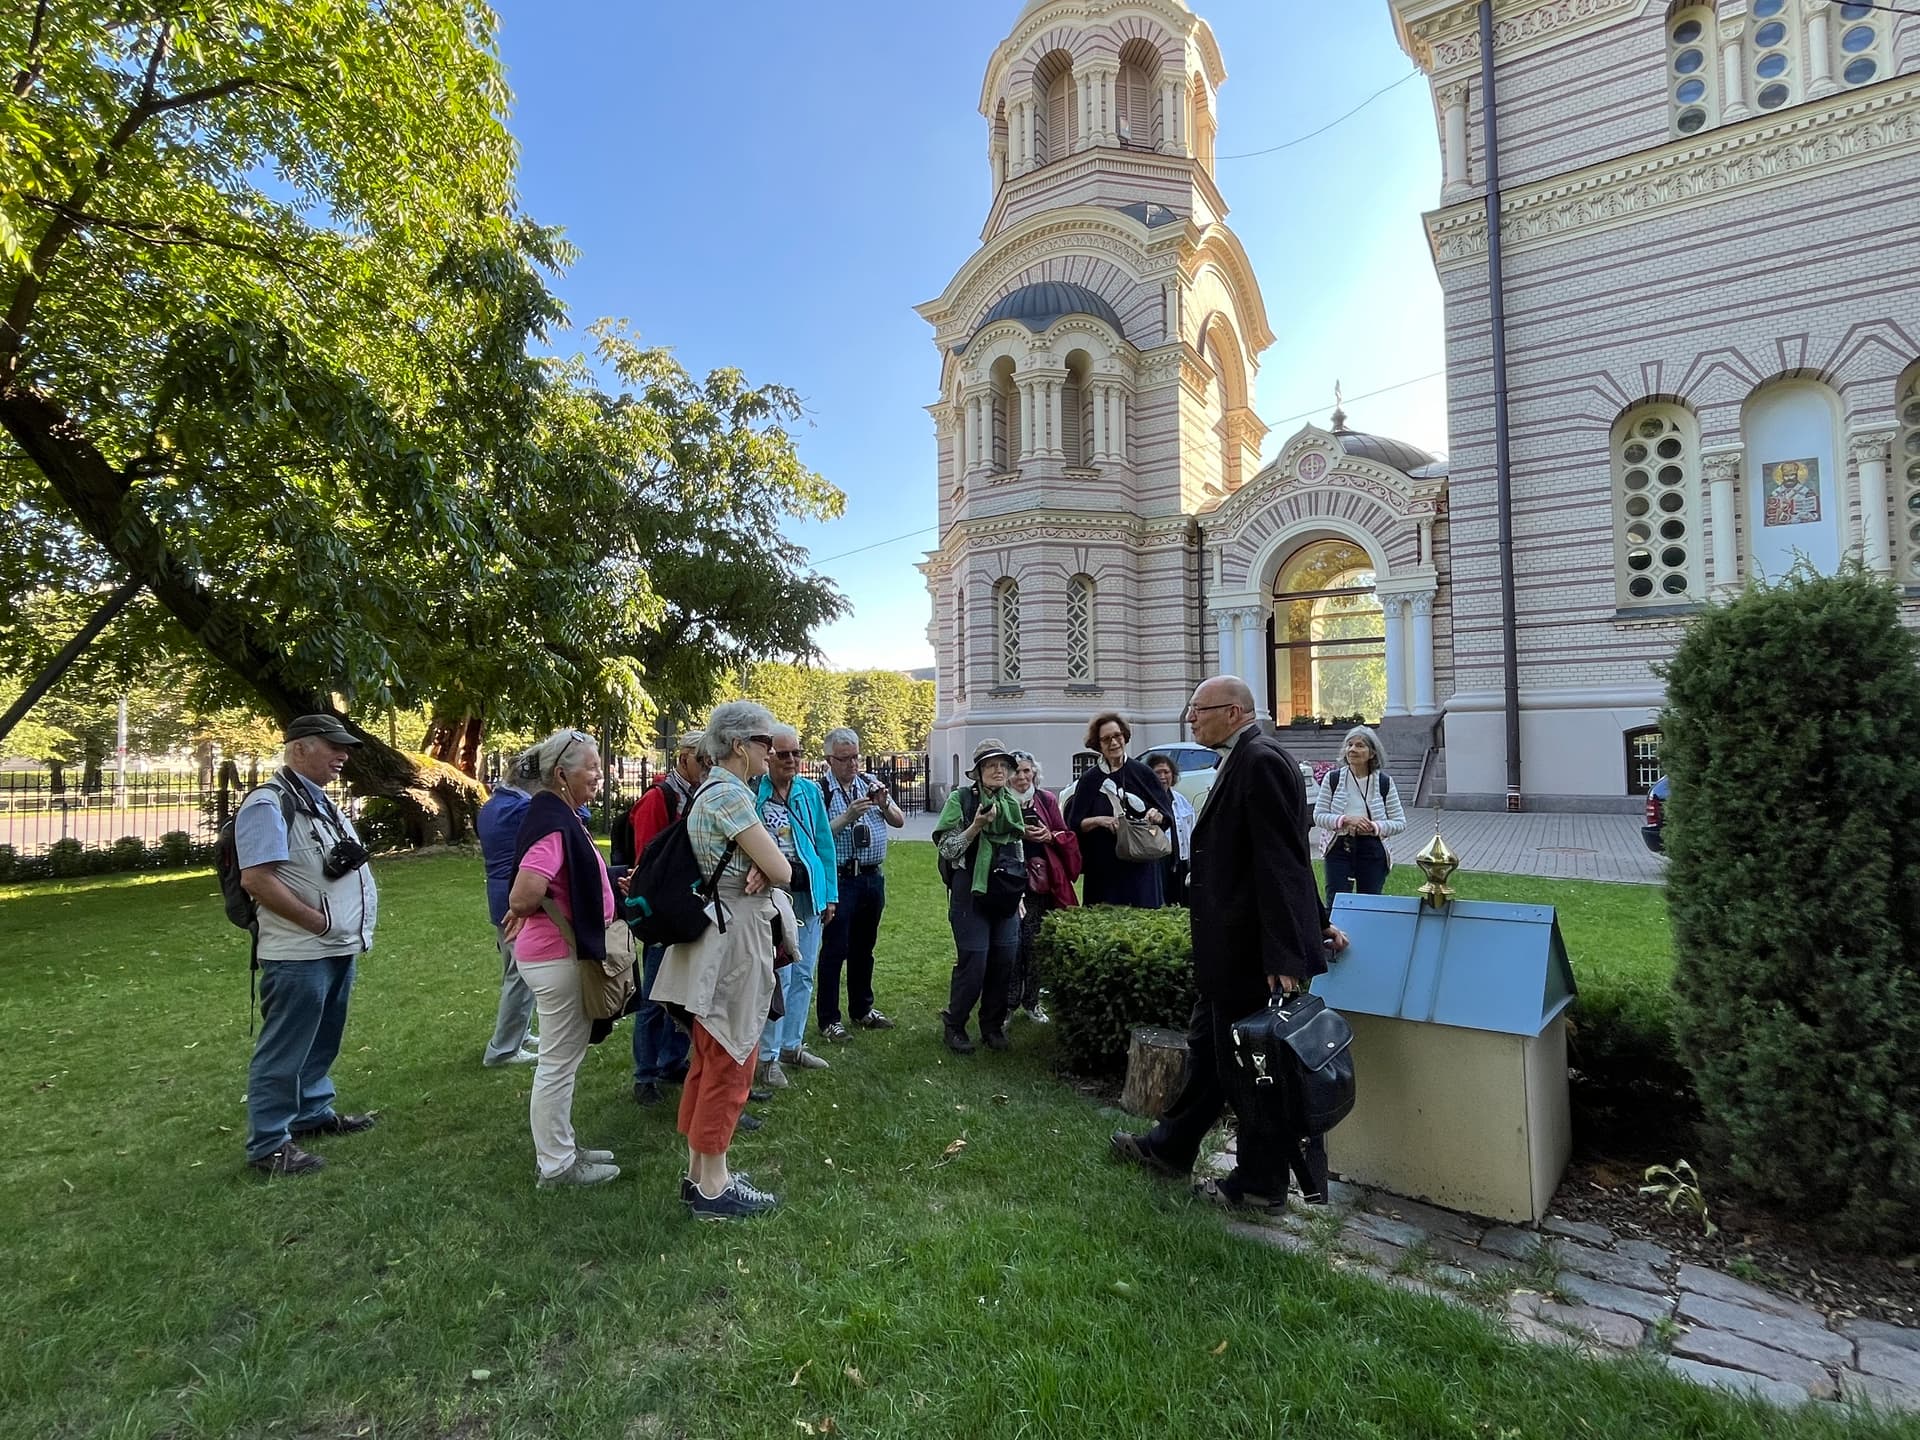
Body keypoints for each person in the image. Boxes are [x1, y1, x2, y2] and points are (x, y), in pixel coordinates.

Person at [1110, 676, 1349, 1212]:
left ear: (1236, 712)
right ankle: (1170, 1149)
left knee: (1253, 1071)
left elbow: (1280, 859)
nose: (1191, 719)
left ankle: (1261, 1185)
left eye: (1199, 709)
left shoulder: (1260, 761)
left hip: (1249, 958)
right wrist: (1316, 920)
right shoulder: (1245, 758)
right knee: (1210, 1054)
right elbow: (1283, 852)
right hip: (1229, 954)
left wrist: (1289, 951)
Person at [650, 700, 793, 1220]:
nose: (771, 750)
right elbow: (782, 867)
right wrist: (767, 865)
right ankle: (713, 1189)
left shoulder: (711, 790)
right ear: (739, 746)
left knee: (709, 1059)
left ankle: (703, 1173)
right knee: (732, 1060)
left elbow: (767, 864)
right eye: (764, 742)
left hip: (716, 930)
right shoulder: (730, 794)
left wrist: (763, 865)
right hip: (733, 940)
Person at [237, 713, 381, 1177]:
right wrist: (318, 923)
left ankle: (311, 1112)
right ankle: (269, 1144)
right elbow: (258, 879)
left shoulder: (316, 801)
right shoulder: (269, 803)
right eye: (332, 746)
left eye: (344, 748)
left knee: (322, 1036)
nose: (343, 756)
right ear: (299, 748)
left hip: (335, 945)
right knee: (285, 1047)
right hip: (300, 951)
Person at [503, 730, 622, 1189]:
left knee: (561, 1061)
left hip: (555, 954)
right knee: (556, 1063)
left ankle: (563, 1146)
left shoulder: (557, 814)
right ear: (561, 774)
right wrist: (519, 910)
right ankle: (556, 1165)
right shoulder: (553, 821)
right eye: (590, 767)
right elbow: (527, 890)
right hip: (558, 957)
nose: (599, 774)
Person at [754, 724, 838, 1089]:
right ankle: (768, 1057)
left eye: (797, 753)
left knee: (804, 973)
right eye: (783, 754)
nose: (792, 761)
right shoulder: (754, 793)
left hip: (809, 893)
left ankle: (792, 1044)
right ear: (768, 755)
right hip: (774, 895)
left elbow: (824, 844)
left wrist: (830, 893)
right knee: (779, 976)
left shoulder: (808, 792)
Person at [933, 739, 1028, 1054]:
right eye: (991, 765)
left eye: (1003, 765)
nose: (998, 770)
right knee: (975, 961)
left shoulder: (1010, 802)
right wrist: (976, 826)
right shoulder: (961, 800)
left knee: (1004, 959)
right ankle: (955, 1023)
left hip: (1005, 890)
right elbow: (947, 848)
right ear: (978, 772)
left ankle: (992, 1026)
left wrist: (1021, 896)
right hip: (969, 890)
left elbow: (1017, 849)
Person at [628, 731, 707, 1106]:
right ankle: (645, 1074)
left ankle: (673, 1060)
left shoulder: (699, 796)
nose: (707, 767)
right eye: (702, 760)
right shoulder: (659, 798)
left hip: (691, 908)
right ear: (684, 758)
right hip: (663, 910)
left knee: (684, 992)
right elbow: (647, 860)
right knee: (654, 998)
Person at [816, 727, 905, 1041]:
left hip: (872, 876)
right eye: (845, 758)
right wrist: (848, 817)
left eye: (856, 756)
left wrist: (882, 804)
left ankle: (862, 1009)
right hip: (841, 878)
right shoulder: (820, 792)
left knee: (864, 948)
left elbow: (898, 820)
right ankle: (829, 1019)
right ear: (830, 759)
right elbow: (817, 835)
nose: (853, 764)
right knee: (835, 949)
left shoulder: (870, 784)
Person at [1064, 711, 1174, 907]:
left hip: (1141, 866)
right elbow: (1074, 824)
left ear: (1125, 736)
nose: (1114, 742)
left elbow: (1167, 815)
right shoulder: (1090, 780)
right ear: (1098, 745)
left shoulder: (1143, 773)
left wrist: (1156, 815)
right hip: (1103, 869)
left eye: (1117, 736)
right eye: (1106, 739)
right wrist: (1099, 821)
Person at [1007, 750, 1078, 1023]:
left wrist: (1049, 835)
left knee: (1034, 944)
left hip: (1041, 883)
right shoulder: (1003, 801)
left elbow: (1065, 834)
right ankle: (1008, 1003)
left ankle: (1032, 1001)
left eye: (1027, 771)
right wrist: (1018, 831)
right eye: (1017, 771)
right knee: (1012, 945)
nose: (1022, 777)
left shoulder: (1046, 800)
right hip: (1011, 883)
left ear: (1034, 772)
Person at [1313, 725, 1407, 910]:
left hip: (1372, 848)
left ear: (1372, 753)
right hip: (1339, 847)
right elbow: (1319, 816)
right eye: (1349, 745)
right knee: (1337, 902)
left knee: (1369, 904)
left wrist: (1374, 827)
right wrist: (1345, 820)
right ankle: (1335, 937)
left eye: (1359, 745)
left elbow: (1399, 822)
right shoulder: (1332, 779)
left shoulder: (1384, 782)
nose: (1352, 750)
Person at [1144, 751, 1198, 907]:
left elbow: (1191, 828)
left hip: (1181, 859)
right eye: (1157, 772)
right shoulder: (1146, 800)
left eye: (1166, 772)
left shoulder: (1181, 801)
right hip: (1159, 860)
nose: (1162, 776)